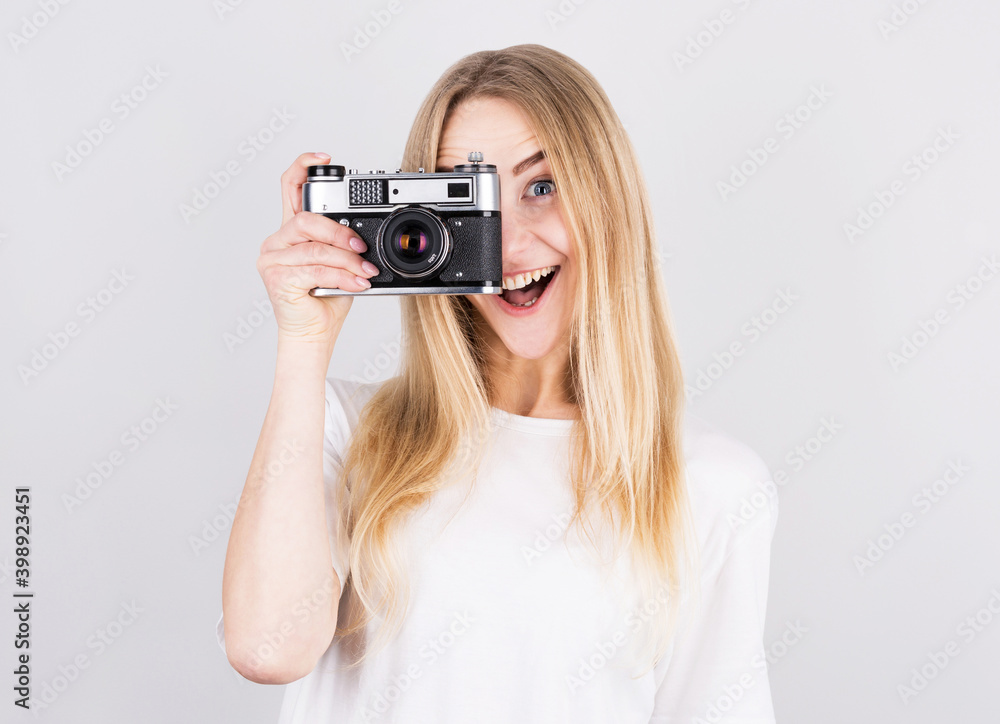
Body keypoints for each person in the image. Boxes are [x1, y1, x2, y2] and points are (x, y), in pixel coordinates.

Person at [216, 44, 779, 723]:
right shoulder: (343, 427)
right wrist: (304, 342)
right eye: (467, 199)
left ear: (609, 200)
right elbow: (266, 648)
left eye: (542, 187)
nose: (508, 244)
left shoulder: (712, 486)